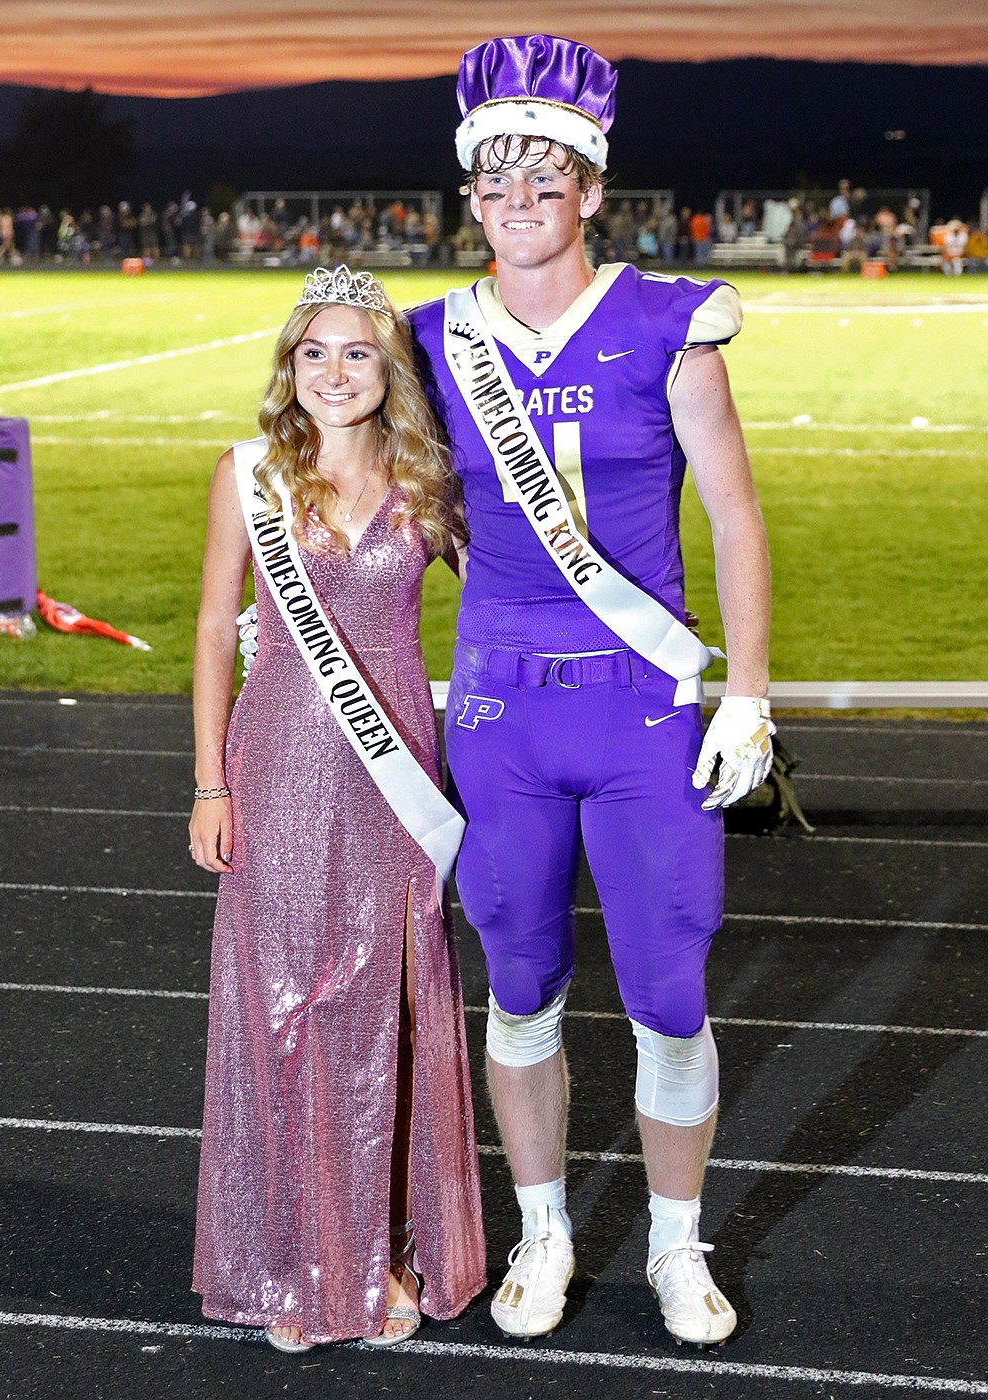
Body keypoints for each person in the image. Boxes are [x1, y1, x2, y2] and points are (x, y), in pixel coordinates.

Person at [409, 34, 773, 1349]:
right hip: (502, 707)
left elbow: (733, 515)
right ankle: (544, 1232)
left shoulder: (672, 324)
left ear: (590, 189)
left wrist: (751, 692)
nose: (519, 201)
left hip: (640, 705)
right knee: (521, 984)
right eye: (496, 181)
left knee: (670, 986)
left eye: (544, 179)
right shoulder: (429, 340)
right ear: (472, 196)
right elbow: (392, 504)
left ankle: (681, 1244)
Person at [189, 266, 485, 1351]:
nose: (332, 371)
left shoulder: (433, 482)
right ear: (288, 367)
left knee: (383, 1005)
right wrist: (209, 781)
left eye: (357, 351)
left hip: (391, 765)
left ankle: (387, 1253)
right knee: (283, 1002)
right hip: (273, 760)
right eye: (312, 351)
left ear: (389, 368)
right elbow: (216, 628)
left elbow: (511, 596)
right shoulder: (250, 475)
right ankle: (293, 1258)